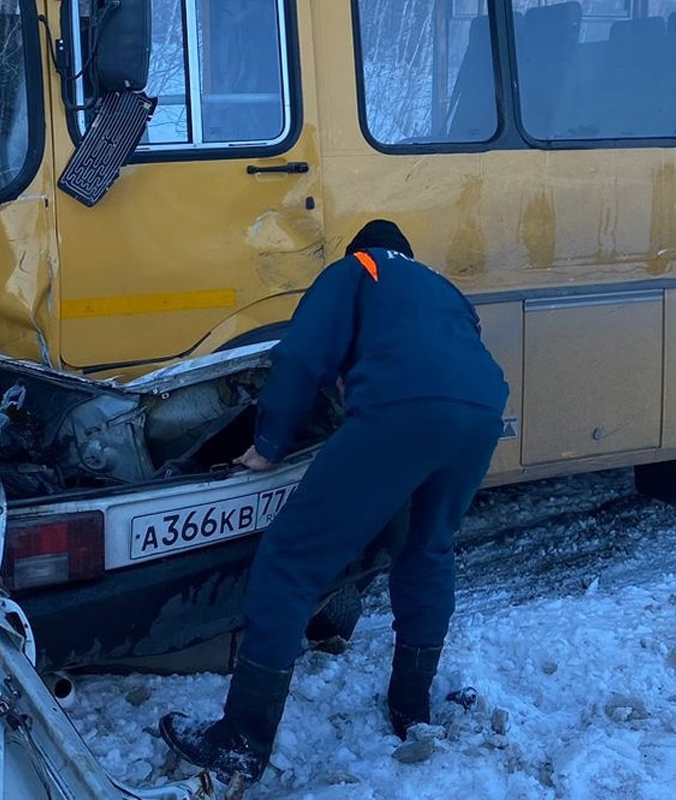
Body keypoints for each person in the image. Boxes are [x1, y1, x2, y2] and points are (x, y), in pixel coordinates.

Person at [161, 219, 509, 783]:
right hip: (481, 413)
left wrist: (269, 444)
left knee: (291, 560)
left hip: (402, 410)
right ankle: (410, 708)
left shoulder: (357, 269)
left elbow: (301, 355)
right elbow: (448, 353)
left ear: (362, 249)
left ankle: (242, 738)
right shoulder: (438, 286)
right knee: (427, 550)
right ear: (409, 254)